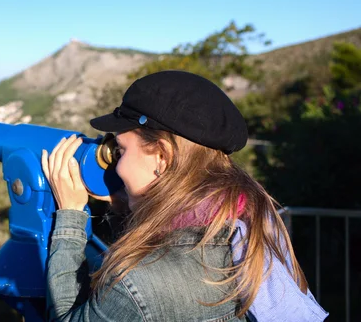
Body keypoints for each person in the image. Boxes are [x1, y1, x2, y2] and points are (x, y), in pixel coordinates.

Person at [41, 71, 328, 321]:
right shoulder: (247, 217)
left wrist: (71, 215)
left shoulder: (138, 285)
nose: (117, 164)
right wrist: (128, 207)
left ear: (162, 156)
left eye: (121, 150)